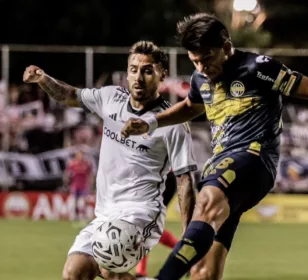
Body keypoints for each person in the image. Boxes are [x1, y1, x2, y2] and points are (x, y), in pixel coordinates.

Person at [121, 13, 308, 280]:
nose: (201, 67)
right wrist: (150, 122)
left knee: (206, 201)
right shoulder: (200, 79)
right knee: (203, 273)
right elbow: (190, 107)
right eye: (194, 61)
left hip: (253, 159)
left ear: (225, 46)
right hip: (226, 169)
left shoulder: (257, 68)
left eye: (207, 58)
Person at [22, 40, 197, 280]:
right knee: (76, 272)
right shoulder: (110, 98)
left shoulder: (173, 124)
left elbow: (185, 181)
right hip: (105, 213)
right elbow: (70, 95)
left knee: (108, 265)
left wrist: (188, 242)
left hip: (141, 213)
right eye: (133, 70)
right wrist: (43, 79)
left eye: (147, 71)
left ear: (162, 75)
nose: (138, 77)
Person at [135, 171, 189, 278]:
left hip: (162, 179)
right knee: (149, 228)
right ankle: (186, 252)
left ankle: (141, 272)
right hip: (158, 178)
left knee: (146, 227)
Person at [63, 150, 94, 221]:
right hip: (75, 185)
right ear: (76, 156)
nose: (80, 156)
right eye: (79, 155)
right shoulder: (72, 164)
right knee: (75, 201)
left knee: (84, 201)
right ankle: (76, 215)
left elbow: (90, 174)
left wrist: (91, 184)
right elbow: (67, 173)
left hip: (84, 185)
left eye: (81, 155)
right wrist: (67, 182)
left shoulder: (87, 164)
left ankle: (84, 214)